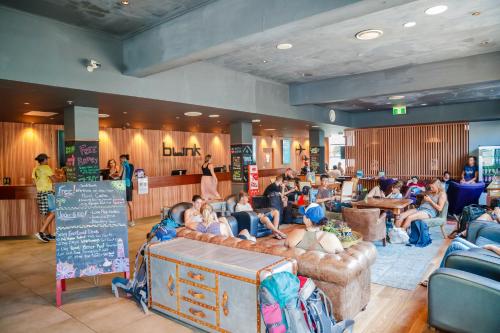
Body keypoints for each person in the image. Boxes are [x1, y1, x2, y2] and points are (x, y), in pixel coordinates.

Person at [420, 238, 500, 287]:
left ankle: (438, 279)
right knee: (457, 239)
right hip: (494, 251)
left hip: (494, 256)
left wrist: (491, 247)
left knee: (455, 246)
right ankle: (440, 275)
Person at [185, 196, 254, 240]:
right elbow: (187, 223)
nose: (199, 205)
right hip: (205, 224)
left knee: (223, 219)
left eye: (201, 203)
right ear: (193, 203)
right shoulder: (189, 211)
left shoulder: (202, 211)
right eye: (197, 203)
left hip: (205, 224)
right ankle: (236, 237)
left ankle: (234, 236)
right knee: (246, 232)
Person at [33, 153, 63, 242]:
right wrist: (61, 176)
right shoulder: (46, 168)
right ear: (45, 160)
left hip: (40, 193)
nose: (47, 161)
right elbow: (55, 180)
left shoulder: (35, 169)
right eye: (47, 159)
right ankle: (41, 232)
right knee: (55, 211)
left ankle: (47, 235)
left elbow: (34, 183)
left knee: (44, 215)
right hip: (47, 193)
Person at [120, 154, 135, 227]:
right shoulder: (131, 165)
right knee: (130, 202)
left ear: (124, 159)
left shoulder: (123, 165)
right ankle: (132, 221)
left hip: (124, 184)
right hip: (129, 184)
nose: (120, 161)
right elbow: (131, 176)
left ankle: (123, 221)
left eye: (121, 159)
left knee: (124, 203)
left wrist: (112, 174)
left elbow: (120, 174)